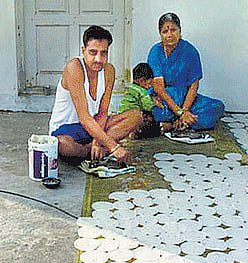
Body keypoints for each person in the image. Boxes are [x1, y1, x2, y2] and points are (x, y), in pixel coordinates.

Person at [49, 26, 142, 162]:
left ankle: (95, 149)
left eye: (103, 53)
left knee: (136, 116)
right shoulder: (74, 67)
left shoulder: (109, 70)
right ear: (83, 51)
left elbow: (103, 112)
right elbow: (84, 117)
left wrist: (96, 142)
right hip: (66, 130)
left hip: (95, 126)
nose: (98, 59)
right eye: (93, 52)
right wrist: (114, 147)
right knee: (62, 145)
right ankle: (99, 151)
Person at [147, 12, 225, 131]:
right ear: (160, 34)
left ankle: (173, 124)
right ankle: (182, 122)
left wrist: (185, 110)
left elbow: (194, 85)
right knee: (154, 110)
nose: (169, 35)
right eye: (165, 31)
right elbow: (159, 89)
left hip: (186, 98)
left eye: (173, 30)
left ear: (180, 30)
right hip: (165, 99)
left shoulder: (190, 51)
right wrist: (179, 112)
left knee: (217, 107)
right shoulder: (155, 52)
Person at [117, 62, 164, 139]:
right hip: (133, 116)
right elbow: (147, 107)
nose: (149, 87)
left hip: (122, 114)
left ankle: (129, 132)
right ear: (141, 81)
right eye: (149, 83)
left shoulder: (130, 88)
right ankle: (135, 132)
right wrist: (155, 104)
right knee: (150, 119)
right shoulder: (142, 92)